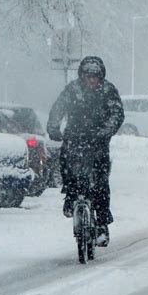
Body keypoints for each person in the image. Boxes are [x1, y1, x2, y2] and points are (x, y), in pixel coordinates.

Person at [47, 56, 124, 247]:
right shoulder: (72, 90)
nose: (91, 80)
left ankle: (102, 223)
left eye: (95, 77)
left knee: (100, 181)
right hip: (74, 138)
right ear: (82, 76)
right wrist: (54, 127)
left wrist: (105, 132)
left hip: (98, 142)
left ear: (101, 77)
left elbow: (117, 114)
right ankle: (70, 197)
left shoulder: (108, 91)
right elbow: (58, 109)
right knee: (66, 165)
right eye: (88, 76)